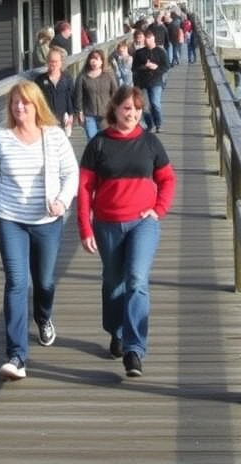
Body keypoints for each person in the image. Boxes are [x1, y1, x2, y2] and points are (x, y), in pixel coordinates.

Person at [0, 81, 79, 381]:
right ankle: (16, 355)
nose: (19, 108)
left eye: (25, 103)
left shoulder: (55, 136)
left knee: (44, 282)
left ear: (37, 106)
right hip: (10, 218)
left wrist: (62, 200)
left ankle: (44, 317)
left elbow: (71, 173)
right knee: (16, 282)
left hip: (47, 220)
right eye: (15, 103)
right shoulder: (0, 138)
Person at [77, 86, 176, 378]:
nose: (131, 113)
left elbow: (168, 179)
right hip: (107, 223)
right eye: (125, 108)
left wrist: (158, 210)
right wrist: (85, 226)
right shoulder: (98, 144)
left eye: (135, 108)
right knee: (113, 282)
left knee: (136, 279)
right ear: (115, 110)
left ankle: (134, 350)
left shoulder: (150, 143)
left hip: (142, 222)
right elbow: (84, 190)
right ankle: (116, 332)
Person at [74, 48, 118, 140]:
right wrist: (80, 111)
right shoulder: (82, 77)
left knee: (105, 139)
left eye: (96, 59)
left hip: (105, 114)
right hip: (89, 114)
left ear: (102, 61)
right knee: (92, 139)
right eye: (92, 59)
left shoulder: (108, 74)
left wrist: (115, 109)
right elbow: (78, 96)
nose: (94, 62)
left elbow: (114, 92)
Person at [132, 29, 168, 132]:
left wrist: (155, 68)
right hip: (142, 82)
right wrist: (144, 66)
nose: (147, 41)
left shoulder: (161, 52)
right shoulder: (139, 53)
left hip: (156, 80)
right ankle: (149, 124)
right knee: (143, 105)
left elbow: (166, 67)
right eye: (146, 39)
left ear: (153, 38)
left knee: (155, 103)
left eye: (149, 38)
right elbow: (134, 68)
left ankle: (158, 124)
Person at [35, 46, 76, 133]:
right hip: (46, 119)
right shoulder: (40, 80)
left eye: (56, 61)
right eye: (51, 61)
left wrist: (71, 115)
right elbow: (36, 99)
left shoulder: (67, 78)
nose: (53, 64)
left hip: (63, 118)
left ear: (61, 62)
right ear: (47, 62)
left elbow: (71, 97)